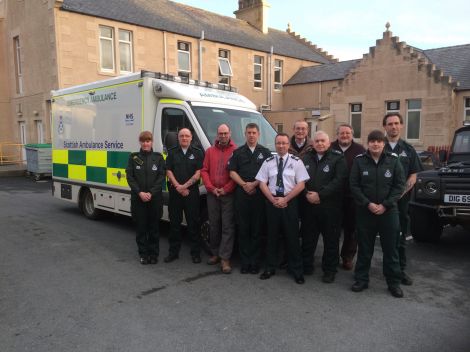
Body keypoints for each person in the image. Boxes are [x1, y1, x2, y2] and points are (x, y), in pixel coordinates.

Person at [350, 130, 406, 298]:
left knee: (391, 249)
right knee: (365, 248)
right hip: (365, 212)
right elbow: (354, 185)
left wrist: (385, 205)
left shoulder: (394, 161)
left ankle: (393, 283)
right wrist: (368, 203)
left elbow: (399, 186)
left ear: (384, 144)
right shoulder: (359, 162)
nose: (375, 144)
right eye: (372, 141)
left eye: (379, 141)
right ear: (368, 143)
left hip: (388, 213)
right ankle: (361, 279)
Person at [256, 133, 310, 284]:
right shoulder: (268, 162)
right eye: (278, 143)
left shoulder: (296, 162)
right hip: (272, 202)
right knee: (271, 236)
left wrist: (285, 199)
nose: (281, 146)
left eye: (284, 143)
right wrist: (273, 199)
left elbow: (301, 184)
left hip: (290, 202)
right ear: (275, 145)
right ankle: (270, 268)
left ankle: (296, 270)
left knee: (292, 237)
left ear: (288, 145)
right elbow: (262, 183)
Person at [301, 131, 348, 283]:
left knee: (331, 241)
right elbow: (299, 178)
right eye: (317, 141)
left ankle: (329, 270)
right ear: (312, 143)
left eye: (323, 141)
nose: (320, 143)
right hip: (309, 206)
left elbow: (339, 180)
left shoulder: (337, 158)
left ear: (329, 143)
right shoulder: (306, 158)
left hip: (330, 208)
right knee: (308, 238)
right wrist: (307, 193)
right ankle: (306, 265)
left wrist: (319, 195)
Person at [383, 113, 423, 286]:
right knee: (374, 239)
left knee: (399, 239)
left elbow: (413, 176)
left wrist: (397, 195)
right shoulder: (377, 146)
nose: (393, 126)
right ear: (384, 126)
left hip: (400, 203)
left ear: (401, 125)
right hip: (379, 204)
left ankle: (399, 271)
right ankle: (367, 272)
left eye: (396, 123)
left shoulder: (408, 149)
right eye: (390, 124)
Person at [229, 123, 272, 274]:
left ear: (258, 134)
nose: (251, 135)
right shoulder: (238, 152)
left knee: (257, 230)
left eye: (254, 132)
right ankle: (245, 262)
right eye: (249, 132)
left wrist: (253, 184)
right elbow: (232, 172)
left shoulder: (265, 152)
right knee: (243, 229)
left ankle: (255, 263)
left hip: (259, 195)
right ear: (245, 134)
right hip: (242, 195)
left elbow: (268, 173)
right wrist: (244, 185)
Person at [164, 128, 204, 264]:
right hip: (175, 193)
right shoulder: (172, 152)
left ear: (191, 138)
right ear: (178, 138)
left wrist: (185, 187)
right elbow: (168, 171)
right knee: (174, 224)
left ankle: (195, 253)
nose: (184, 138)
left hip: (191, 193)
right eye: (182, 136)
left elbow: (199, 173)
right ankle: (173, 253)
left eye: (187, 136)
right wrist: (178, 187)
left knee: (194, 224)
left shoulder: (198, 153)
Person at [201, 124, 237, 274]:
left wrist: (226, 189)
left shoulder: (236, 151)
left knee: (227, 227)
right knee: (214, 225)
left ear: (230, 133)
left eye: (225, 133)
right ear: (217, 134)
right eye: (220, 133)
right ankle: (215, 253)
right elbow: (204, 170)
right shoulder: (210, 151)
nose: (223, 136)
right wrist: (211, 188)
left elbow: (237, 174)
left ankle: (225, 259)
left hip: (228, 194)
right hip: (212, 193)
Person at [126, 131, 165, 265]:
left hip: (154, 200)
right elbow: (130, 177)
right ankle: (143, 254)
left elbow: (161, 177)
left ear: (151, 142)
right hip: (139, 199)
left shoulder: (158, 158)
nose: (145, 143)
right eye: (143, 141)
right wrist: (140, 193)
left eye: (148, 141)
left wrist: (151, 193)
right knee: (141, 228)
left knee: (154, 228)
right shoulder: (133, 157)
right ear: (140, 142)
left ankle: (154, 255)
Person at [331, 124, 366, 270]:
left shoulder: (360, 150)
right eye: (341, 133)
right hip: (332, 196)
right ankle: (331, 257)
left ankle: (347, 257)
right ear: (337, 134)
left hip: (352, 196)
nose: (344, 135)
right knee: (333, 228)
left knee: (351, 229)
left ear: (352, 134)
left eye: (347, 133)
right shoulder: (329, 147)